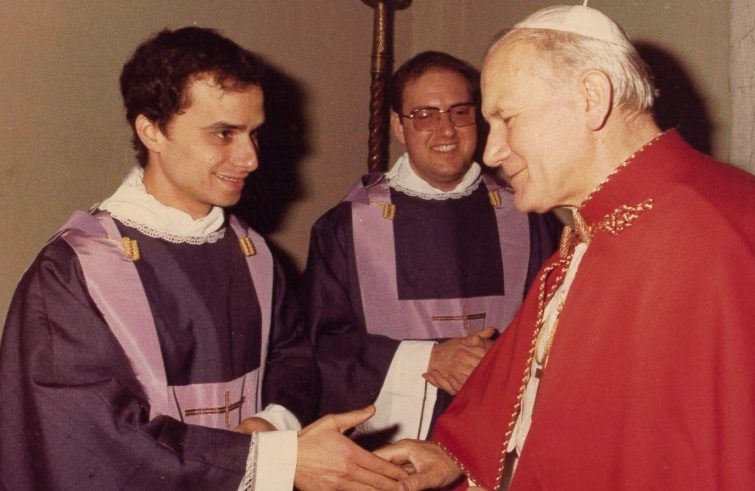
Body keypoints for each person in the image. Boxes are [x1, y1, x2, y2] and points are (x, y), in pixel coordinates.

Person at [0, 27, 406, 490]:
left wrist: (272, 422)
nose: (250, 158)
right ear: (152, 131)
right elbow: (94, 442)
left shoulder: (253, 253)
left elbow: (292, 358)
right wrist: (267, 460)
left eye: (254, 133)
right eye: (224, 134)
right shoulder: (74, 270)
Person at [376, 5, 755, 490]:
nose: (491, 151)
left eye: (506, 118)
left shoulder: (707, 233)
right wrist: (454, 454)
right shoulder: (598, 221)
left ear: (591, 99)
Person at [301, 51, 560, 445]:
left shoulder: (527, 217)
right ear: (398, 125)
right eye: (424, 115)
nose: (446, 131)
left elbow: (558, 330)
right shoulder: (346, 227)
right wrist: (429, 358)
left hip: (502, 434)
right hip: (391, 448)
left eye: (459, 112)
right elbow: (321, 346)